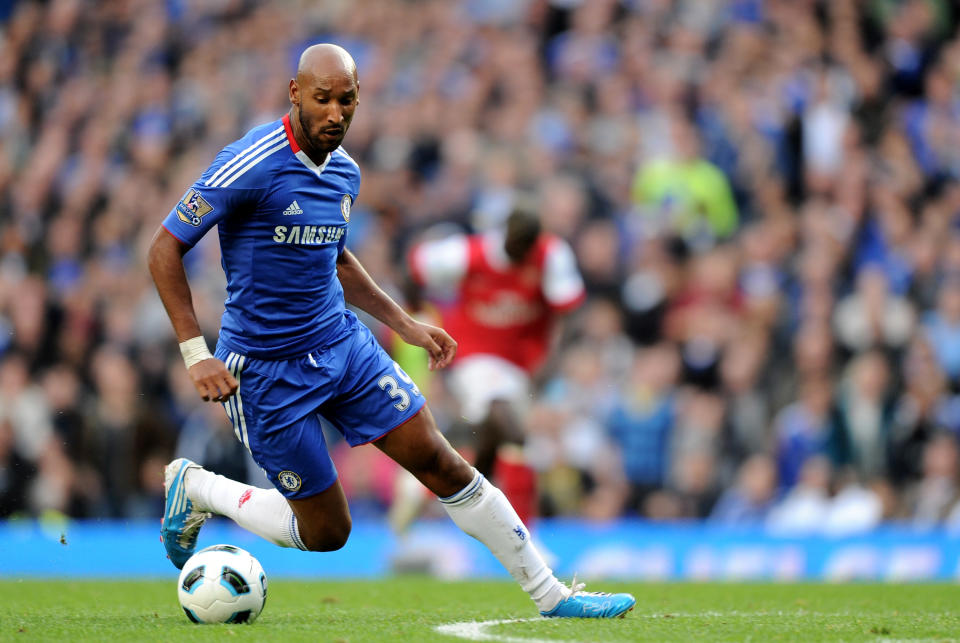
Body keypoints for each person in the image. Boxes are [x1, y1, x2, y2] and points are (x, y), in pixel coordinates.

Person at [147, 43, 634, 619]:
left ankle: (553, 597)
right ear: (295, 93)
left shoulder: (345, 171)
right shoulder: (249, 162)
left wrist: (403, 322)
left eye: (346, 101)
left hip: (342, 345)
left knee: (443, 461)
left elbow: (334, 256)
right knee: (329, 532)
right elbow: (164, 249)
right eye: (323, 99)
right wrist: (196, 352)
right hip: (266, 369)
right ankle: (198, 488)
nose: (335, 113)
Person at [399, 206, 585, 524]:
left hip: (521, 366)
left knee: (490, 446)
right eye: (515, 244)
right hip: (473, 356)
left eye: (527, 245)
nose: (520, 252)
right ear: (505, 236)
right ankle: (526, 536)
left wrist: (549, 364)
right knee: (512, 431)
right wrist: (421, 317)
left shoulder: (551, 255)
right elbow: (414, 270)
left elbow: (569, 312)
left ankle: (425, 489)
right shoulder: (471, 253)